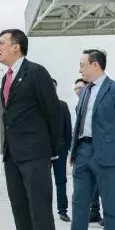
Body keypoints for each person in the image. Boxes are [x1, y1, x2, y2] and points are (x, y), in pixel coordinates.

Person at [0, 29, 61, 230]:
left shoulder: (36, 72)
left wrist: (51, 150)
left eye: (2, 43)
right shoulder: (6, 78)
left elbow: (53, 112)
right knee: (20, 210)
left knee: (40, 212)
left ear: (17, 47)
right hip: (13, 155)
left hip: (35, 154)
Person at [59, 49, 115, 230]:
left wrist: (114, 146)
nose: (80, 69)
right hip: (83, 152)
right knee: (79, 201)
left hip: (107, 154)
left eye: (82, 65)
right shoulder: (84, 92)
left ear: (95, 65)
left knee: (110, 203)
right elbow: (79, 123)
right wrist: (74, 150)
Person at [74, 78, 102, 225]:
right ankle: (94, 211)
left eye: (80, 87)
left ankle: (107, 215)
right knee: (89, 182)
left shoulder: (96, 100)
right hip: (84, 148)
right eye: (76, 89)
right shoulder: (78, 105)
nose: (77, 91)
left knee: (102, 181)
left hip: (99, 146)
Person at [51, 78, 72, 222]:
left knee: (61, 180)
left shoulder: (63, 106)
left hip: (60, 150)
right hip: (43, 151)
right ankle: (43, 210)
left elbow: (68, 129)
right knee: (43, 182)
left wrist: (69, 149)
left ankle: (62, 210)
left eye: (54, 86)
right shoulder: (39, 106)